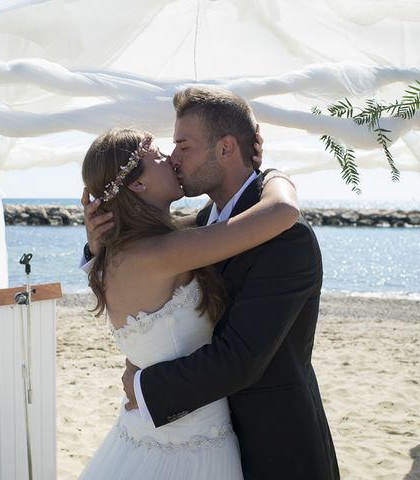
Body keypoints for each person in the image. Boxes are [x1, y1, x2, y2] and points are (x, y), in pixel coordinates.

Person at [84, 85, 340, 479]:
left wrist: (144, 387)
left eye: (183, 146)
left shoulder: (286, 238)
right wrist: (100, 245)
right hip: (205, 445)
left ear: (224, 149)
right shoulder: (204, 225)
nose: (173, 157)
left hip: (274, 447)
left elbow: (239, 358)